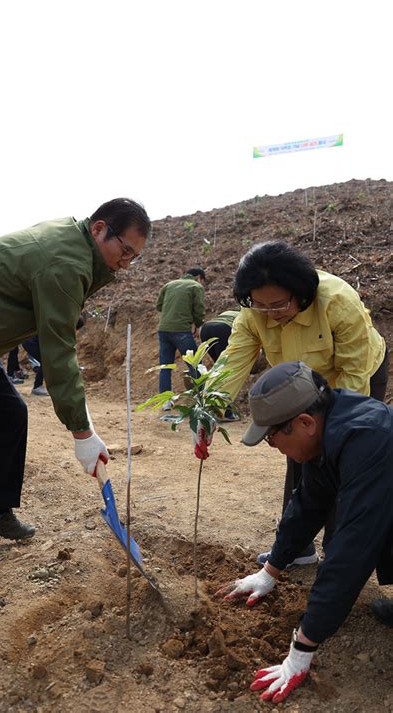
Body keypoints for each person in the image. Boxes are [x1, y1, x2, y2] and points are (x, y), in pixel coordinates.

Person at [0, 198, 151, 611]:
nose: (126, 264)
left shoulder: (75, 246)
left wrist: (84, 424)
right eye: (125, 251)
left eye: (134, 256)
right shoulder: (64, 260)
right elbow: (58, 351)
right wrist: (83, 432)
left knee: (10, 415)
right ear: (99, 229)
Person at [195, 241, 388, 566]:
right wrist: (209, 409)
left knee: (341, 459)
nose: (270, 314)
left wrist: (335, 432)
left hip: (355, 375)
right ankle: (298, 548)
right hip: (299, 385)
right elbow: (234, 360)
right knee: (297, 454)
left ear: (301, 293)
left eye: (279, 304)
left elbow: (354, 374)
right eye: (260, 305)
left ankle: (338, 551)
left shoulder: (338, 302)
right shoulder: (253, 312)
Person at [216, 361, 393, 703]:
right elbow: (308, 505)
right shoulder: (328, 430)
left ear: (304, 423)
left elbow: (351, 552)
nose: (273, 447)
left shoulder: (369, 440)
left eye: (272, 438)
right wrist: (270, 571)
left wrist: (302, 647)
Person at [156, 267, 206, 409]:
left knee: (165, 367)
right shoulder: (196, 286)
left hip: (163, 330)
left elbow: (159, 306)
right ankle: (200, 399)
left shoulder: (169, 285)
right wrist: (198, 325)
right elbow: (199, 309)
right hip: (182, 331)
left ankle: (165, 402)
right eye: (203, 281)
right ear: (199, 278)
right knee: (196, 364)